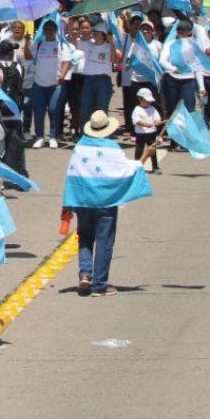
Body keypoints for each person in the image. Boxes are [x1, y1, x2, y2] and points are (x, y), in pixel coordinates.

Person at [66, 110, 154, 296]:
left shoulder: (80, 147)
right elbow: (126, 170)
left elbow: (71, 176)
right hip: (105, 202)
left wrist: (68, 203)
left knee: (85, 238)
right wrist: (145, 155)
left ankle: (85, 274)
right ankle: (99, 285)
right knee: (104, 242)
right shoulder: (113, 148)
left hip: (82, 201)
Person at [26, 21, 69, 149]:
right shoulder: (39, 44)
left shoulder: (61, 45)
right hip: (39, 84)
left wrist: (62, 75)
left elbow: (66, 62)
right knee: (39, 112)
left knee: (53, 110)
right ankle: (39, 137)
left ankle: (53, 136)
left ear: (55, 30)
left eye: (50, 29)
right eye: (46, 29)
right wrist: (27, 42)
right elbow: (28, 56)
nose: (48, 32)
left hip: (55, 84)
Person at [131, 88, 162, 173]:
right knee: (139, 151)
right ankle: (137, 167)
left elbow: (157, 118)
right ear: (140, 99)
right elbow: (136, 122)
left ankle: (155, 167)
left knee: (152, 150)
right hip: (140, 134)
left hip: (151, 133)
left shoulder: (152, 109)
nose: (149, 103)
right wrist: (146, 124)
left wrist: (157, 121)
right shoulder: (137, 110)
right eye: (146, 100)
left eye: (149, 101)